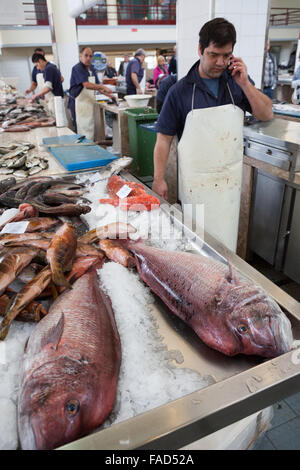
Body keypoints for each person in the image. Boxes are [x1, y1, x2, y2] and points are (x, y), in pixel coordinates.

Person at [152, 17, 273, 200]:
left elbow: (266, 114)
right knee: (195, 227)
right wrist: (158, 178)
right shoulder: (179, 92)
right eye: (213, 54)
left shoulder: (237, 84)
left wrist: (245, 84)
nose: (220, 62)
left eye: (226, 55)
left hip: (229, 183)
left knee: (226, 227)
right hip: (194, 184)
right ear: (200, 49)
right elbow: (163, 139)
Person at [68, 47, 116, 139]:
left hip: (89, 103)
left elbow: (97, 86)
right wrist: (103, 87)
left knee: (89, 128)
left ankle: (90, 148)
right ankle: (83, 151)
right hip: (79, 104)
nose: (88, 58)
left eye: (90, 56)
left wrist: (110, 96)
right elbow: (87, 85)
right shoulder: (77, 68)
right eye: (86, 55)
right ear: (81, 56)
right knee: (82, 130)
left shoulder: (92, 69)